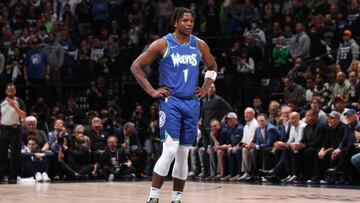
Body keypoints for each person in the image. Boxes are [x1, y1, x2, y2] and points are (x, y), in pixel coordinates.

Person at [131, 7, 217, 203]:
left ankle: (177, 198)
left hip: (192, 104)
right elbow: (136, 67)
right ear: (175, 23)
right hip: (171, 102)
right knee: (170, 149)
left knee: (183, 153)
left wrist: (205, 87)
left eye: (192, 21)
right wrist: (152, 91)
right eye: (185, 20)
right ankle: (153, 197)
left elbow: (212, 66)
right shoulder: (162, 44)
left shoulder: (199, 45)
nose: (189, 24)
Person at [0, 83, 26, 184]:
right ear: (6, 91)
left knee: (15, 155)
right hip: (4, 130)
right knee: (2, 154)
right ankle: (1, 177)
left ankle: (12, 178)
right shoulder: (2, 102)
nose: (11, 92)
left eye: (12, 90)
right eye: (9, 91)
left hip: (16, 129)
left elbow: (23, 115)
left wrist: (14, 106)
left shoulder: (19, 101)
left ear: (15, 91)